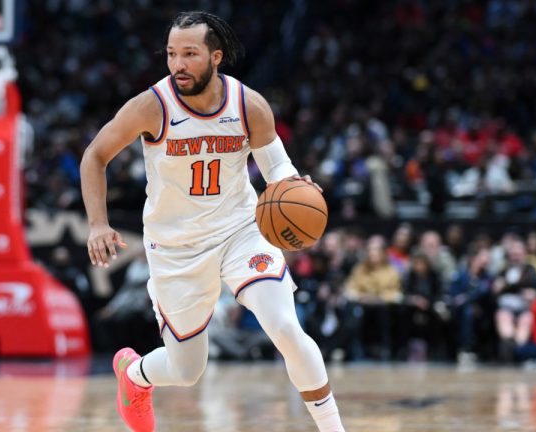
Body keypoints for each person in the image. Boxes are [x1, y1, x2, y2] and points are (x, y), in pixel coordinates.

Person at [80, 11, 344, 432]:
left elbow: (277, 170)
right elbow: (95, 155)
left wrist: (294, 186)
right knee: (188, 371)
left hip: (240, 231)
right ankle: (134, 375)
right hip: (176, 247)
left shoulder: (248, 105)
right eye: (171, 54)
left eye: (189, 54)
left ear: (215, 57)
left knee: (285, 328)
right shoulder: (151, 106)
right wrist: (97, 224)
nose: (177, 64)